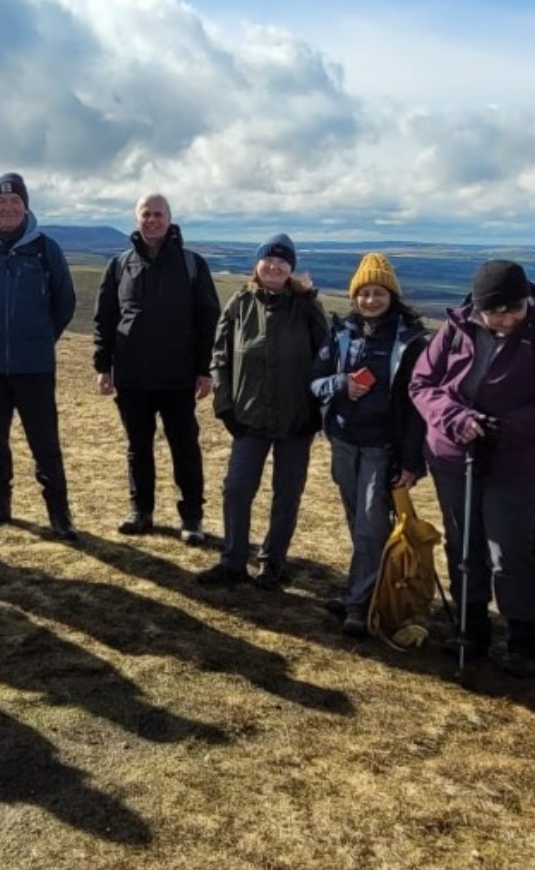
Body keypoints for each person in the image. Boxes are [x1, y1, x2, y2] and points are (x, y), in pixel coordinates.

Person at [410, 259, 535, 677]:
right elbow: (423, 384)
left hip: (518, 464)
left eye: (514, 309)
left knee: (508, 550)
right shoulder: (454, 329)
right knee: (462, 544)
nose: (505, 319)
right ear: (477, 307)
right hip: (453, 457)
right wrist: (457, 419)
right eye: (496, 312)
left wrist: (501, 429)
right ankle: (471, 628)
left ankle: (523, 638)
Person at [196, 234, 327, 589]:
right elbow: (220, 356)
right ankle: (233, 561)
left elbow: (325, 362)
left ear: (292, 268)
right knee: (237, 488)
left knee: (287, 493)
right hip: (248, 418)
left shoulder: (307, 307)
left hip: (296, 419)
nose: (275, 265)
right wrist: (225, 406)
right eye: (269, 259)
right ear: (257, 264)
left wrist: (316, 412)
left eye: (283, 261)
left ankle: (273, 564)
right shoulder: (239, 303)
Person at [310, 253, 429, 637]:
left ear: (391, 295)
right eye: (364, 293)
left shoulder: (410, 342)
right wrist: (342, 384)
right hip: (344, 441)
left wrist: (411, 461)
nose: (370, 300)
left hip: (382, 447)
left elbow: (416, 408)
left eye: (378, 292)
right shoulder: (341, 333)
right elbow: (315, 383)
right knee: (356, 522)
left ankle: (360, 606)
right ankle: (364, 591)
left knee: (370, 527)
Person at [0, 172, 78, 541]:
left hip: (35, 364)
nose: (8, 208)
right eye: (1, 202)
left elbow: (65, 302)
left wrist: (41, 338)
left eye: (15, 202)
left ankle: (59, 514)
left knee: (44, 440)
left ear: (26, 207)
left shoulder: (45, 249)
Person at [93, 193, 221, 543]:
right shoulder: (119, 265)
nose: (152, 220)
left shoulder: (192, 264)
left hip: (178, 376)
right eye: (146, 214)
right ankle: (141, 512)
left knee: (185, 447)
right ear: (136, 219)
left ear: (170, 218)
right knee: (138, 446)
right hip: (132, 376)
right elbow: (105, 319)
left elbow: (208, 319)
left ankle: (192, 518)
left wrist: (204, 369)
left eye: (158, 214)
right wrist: (103, 366)